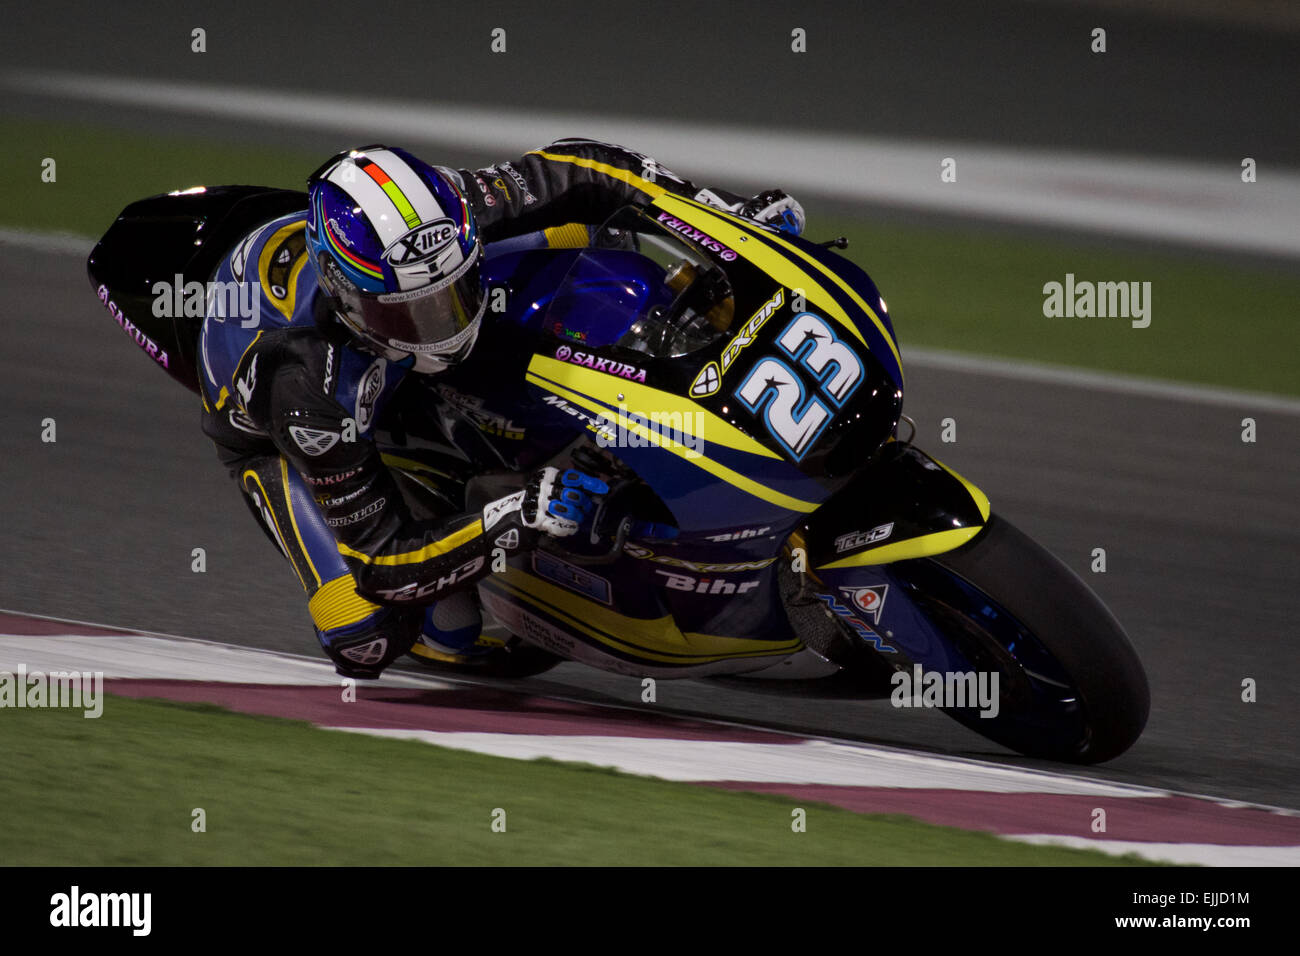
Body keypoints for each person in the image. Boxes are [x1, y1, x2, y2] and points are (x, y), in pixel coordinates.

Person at [196, 138, 806, 678]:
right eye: (407, 313)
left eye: (452, 293)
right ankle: (475, 583)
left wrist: (717, 211)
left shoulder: (449, 213)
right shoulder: (307, 387)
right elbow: (384, 562)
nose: (441, 327)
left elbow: (584, 167)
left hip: (380, 319)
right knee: (369, 631)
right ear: (348, 298)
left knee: (591, 236)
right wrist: (517, 515)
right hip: (282, 430)